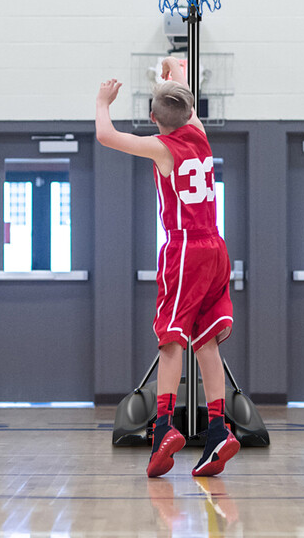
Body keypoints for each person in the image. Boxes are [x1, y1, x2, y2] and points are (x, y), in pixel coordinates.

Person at [95, 57, 239, 478]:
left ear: (153, 116)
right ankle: (217, 430)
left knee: (170, 341)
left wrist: (104, 101)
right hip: (217, 246)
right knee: (207, 341)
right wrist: (170, 72)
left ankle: (163, 429)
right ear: (189, 111)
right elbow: (180, 79)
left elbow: (106, 135)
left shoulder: (163, 147)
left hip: (185, 249)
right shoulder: (199, 134)